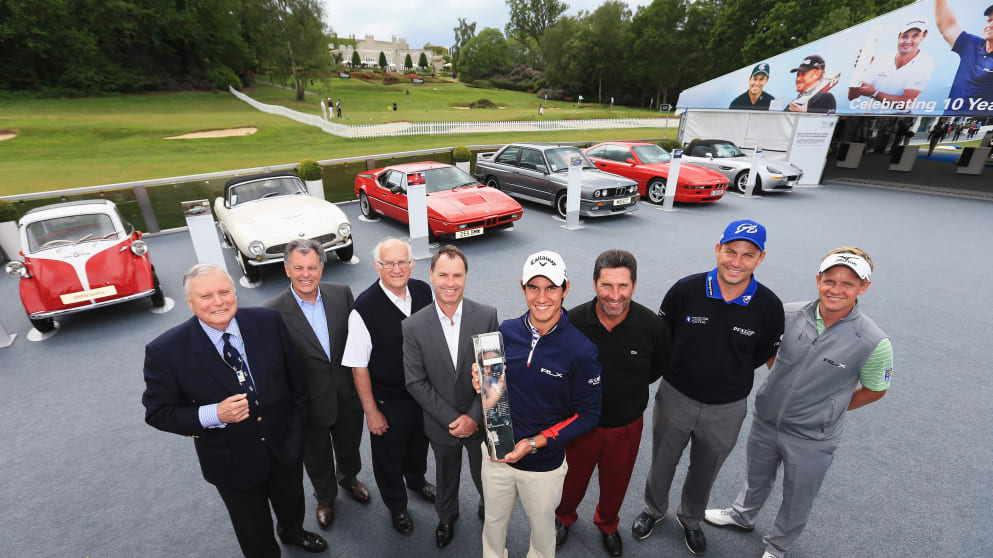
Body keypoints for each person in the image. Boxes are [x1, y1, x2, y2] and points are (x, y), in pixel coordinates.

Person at [705, 248, 892, 558]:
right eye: (830, 281)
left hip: (813, 437)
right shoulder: (785, 315)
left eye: (848, 284)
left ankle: (777, 546)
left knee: (798, 497)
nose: (836, 290)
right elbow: (770, 353)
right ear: (818, 280)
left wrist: (828, 409)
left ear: (864, 287)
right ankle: (742, 515)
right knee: (756, 477)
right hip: (767, 420)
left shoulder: (874, 341)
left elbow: (875, 390)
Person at [141, 264, 327, 558]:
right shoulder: (165, 351)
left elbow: (297, 382)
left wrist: (296, 431)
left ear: (234, 292)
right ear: (190, 302)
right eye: (206, 296)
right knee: (253, 531)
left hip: (284, 447)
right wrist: (214, 414)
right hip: (231, 462)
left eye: (224, 292)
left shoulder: (268, 321)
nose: (218, 302)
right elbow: (158, 412)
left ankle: (293, 532)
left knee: (292, 503)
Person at [632, 220, 785, 556]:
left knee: (706, 469)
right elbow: (663, 338)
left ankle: (690, 518)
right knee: (662, 460)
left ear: (760, 258)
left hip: (727, 408)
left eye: (748, 255)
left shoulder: (770, 307)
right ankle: (653, 509)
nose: (736, 261)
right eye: (730, 251)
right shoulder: (685, 290)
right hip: (676, 396)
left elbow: (761, 354)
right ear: (717, 250)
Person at [472, 250, 602, 558]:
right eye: (533, 287)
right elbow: (495, 388)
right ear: (522, 287)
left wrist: (534, 443)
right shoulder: (506, 331)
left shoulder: (581, 350)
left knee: (543, 535)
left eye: (551, 288)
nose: (541, 297)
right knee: (493, 524)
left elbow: (589, 415)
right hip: (496, 455)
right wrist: (480, 381)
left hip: (543, 466)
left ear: (565, 289)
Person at [554, 250, 671, 557]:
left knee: (616, 483)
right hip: (578, 425)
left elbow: (657, 368)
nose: (614, 295)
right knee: (570, 481)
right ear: (595, 284)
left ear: (634, 285)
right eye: (607, 285)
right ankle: (563, 518)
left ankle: (607, 524)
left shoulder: (652, 327)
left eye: (623, 286)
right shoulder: (571, 323)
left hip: (626, 426)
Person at [263, 239, 370, 532]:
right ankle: (325, 497)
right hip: (307, 404)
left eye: (312, 267)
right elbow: (274, 366)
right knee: (316, 456)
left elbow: (356, 342)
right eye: (298, 268)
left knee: (349, 446)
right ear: (287, 269)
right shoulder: (272, 311)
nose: (306, 274)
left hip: (347, 394)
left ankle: (349, 478)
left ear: (321, 268)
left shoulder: (342, 294)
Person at [403, 245, 499, 548]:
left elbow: (493, 375)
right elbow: (415, 382)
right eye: (443, 275)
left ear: (466, 277)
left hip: (480, 420)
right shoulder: (413, 326)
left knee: (485, 474)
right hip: (440, 424)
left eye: (457, 275)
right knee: (446, 476)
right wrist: (454, 419)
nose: (450, 282)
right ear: (431, 275)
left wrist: (473, 417)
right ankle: (446, 518)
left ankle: (489, 507)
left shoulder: (486, 316)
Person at [342, 238, 436, 535]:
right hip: (388, 401)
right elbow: (358, 366)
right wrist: (371, 412)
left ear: (412, 264)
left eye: (402, 262)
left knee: (419, 445)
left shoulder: (423, 291)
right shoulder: (363, 309)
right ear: (377, 267)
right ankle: (397, 507)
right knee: (388, 459)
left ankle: (417, 481)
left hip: (422, 395)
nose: (396, 269)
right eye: (389, 263)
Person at [847, 18, 935, 113]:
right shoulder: (882, 58)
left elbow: (905, 103)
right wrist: (860, 70)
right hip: (867, 116)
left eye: (915, 36)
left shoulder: (925, 61)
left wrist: (875, 93)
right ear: (899, 36)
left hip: (899, 118)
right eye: (905, 36)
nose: (908, 41)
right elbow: (852, 96)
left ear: (924, 35)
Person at [935, 0, 993, 115]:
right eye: (989, 20)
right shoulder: (972, 43)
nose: (989, 26)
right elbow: (947, 26)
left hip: (979, 121)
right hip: (948, 118)